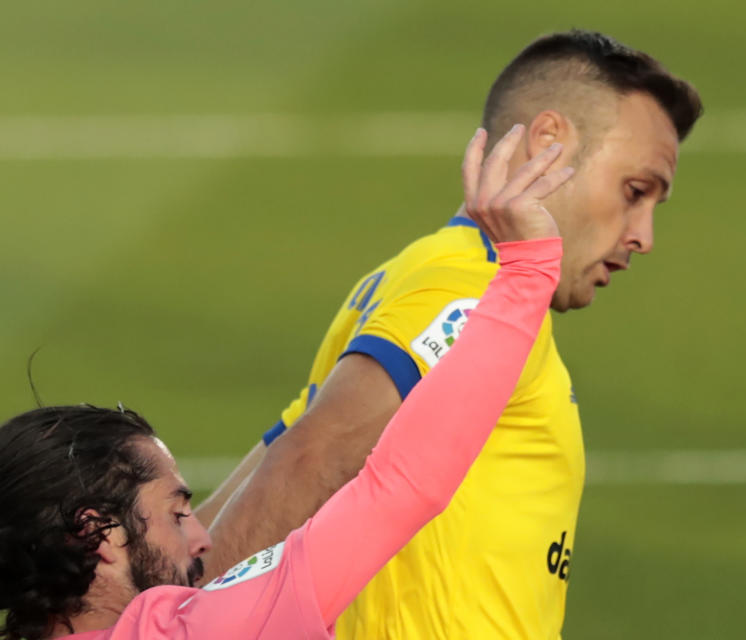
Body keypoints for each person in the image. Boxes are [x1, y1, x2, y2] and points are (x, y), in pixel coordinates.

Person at [199, 29, 703, 639]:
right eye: (634, 192)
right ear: (548, 144)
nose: (643, 235)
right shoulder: (471, 285)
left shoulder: (419, 272)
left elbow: (273, 458)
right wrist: (172, 629)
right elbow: (315, 455)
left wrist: (161, 602)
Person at [0, 127, 570, 640]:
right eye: (175, 514)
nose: (203, 539)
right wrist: (527, 268)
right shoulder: (211, 627)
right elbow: (404, 482)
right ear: (96, 535)